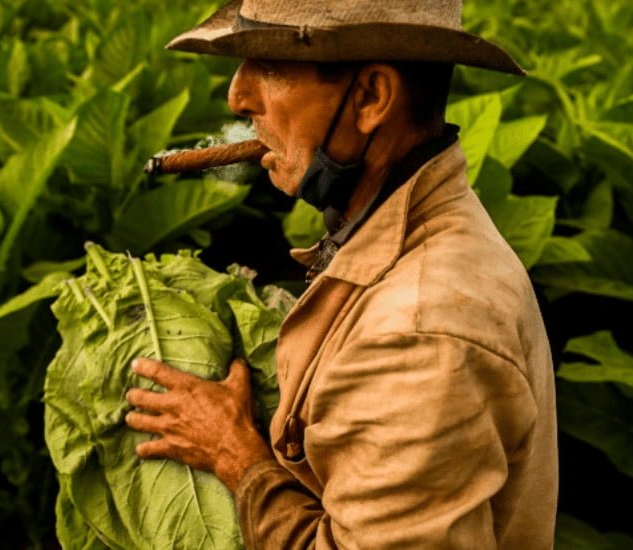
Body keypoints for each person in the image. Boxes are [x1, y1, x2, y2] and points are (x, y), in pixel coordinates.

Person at [122, 1, 558, 547]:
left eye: (272, 68)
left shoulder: (421, 332)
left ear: (371, 97)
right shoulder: (400, 228)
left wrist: (237, 457)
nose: (238, 97)